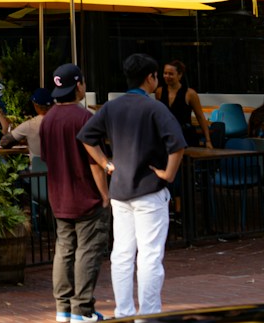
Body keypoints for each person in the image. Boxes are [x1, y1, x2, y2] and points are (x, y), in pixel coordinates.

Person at [78, 53, 185, 319]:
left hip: (120, 190)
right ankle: (148, 315)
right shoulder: (155, 107)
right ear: (150, 78)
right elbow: (178, 144)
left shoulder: (111, 107)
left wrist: (106, 163)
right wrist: (169, 174)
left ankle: (123, 312)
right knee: (150, 256)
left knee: (122, 254)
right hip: (149, 190)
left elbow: (87, 138)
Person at [42, 64, 109, 323]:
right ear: (78, 85)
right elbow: (95, 162)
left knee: (64, 250)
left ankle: (63, 309)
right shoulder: (84, 118)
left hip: (59, 197)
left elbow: (47, 157)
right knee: (88, 252)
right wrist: (104, 195)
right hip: (87, 197)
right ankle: (82, 310)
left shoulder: (47, 119)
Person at [155, 59, 211, 148]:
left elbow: (200, 116)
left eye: (171, 74)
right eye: (165, 73)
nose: (167, 76)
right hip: (166, 135)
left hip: (185, 135)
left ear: (179, 75)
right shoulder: (159, 92)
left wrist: (208, 140)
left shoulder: (190, 94)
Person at [2, 88, 53, 160]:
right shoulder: (62, 121)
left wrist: (25, 140)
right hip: (61, 168)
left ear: (35, 105)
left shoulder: (30, 124)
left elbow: (5, 142)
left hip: (37, 169)